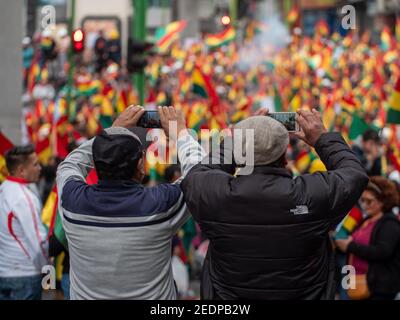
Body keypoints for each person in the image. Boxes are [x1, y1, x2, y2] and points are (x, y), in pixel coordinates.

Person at [181, 108, 369, 299]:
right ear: (284, 158)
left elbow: (197, 175)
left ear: (241, 154)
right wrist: (322, 138)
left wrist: (238, 139)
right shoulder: (311, 195)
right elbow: (354, 174)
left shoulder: (215, 195)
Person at [56, 105, 205, 299]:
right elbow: (200, 177)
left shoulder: (72, 201)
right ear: (141, 166)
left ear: (96, 162)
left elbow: (70, 164)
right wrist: (182, 134)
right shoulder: (160, 204)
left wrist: (110, 133)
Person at [335, 176, 400, 300]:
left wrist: (350, 246)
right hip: (357, 283)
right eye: (362, 201)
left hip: (379, 289)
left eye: (369, 201)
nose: (364, 205)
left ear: (383, 201)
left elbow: (382, 252)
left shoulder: (390, 224)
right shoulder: (367, 220)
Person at [0, 145, 49, 300]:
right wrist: (48, 272)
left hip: (5, 274)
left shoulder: (3, 188)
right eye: (35, 164)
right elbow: (38, 242)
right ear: (21, 170)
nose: (40, 168)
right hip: (25, 276)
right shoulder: (25, 198)